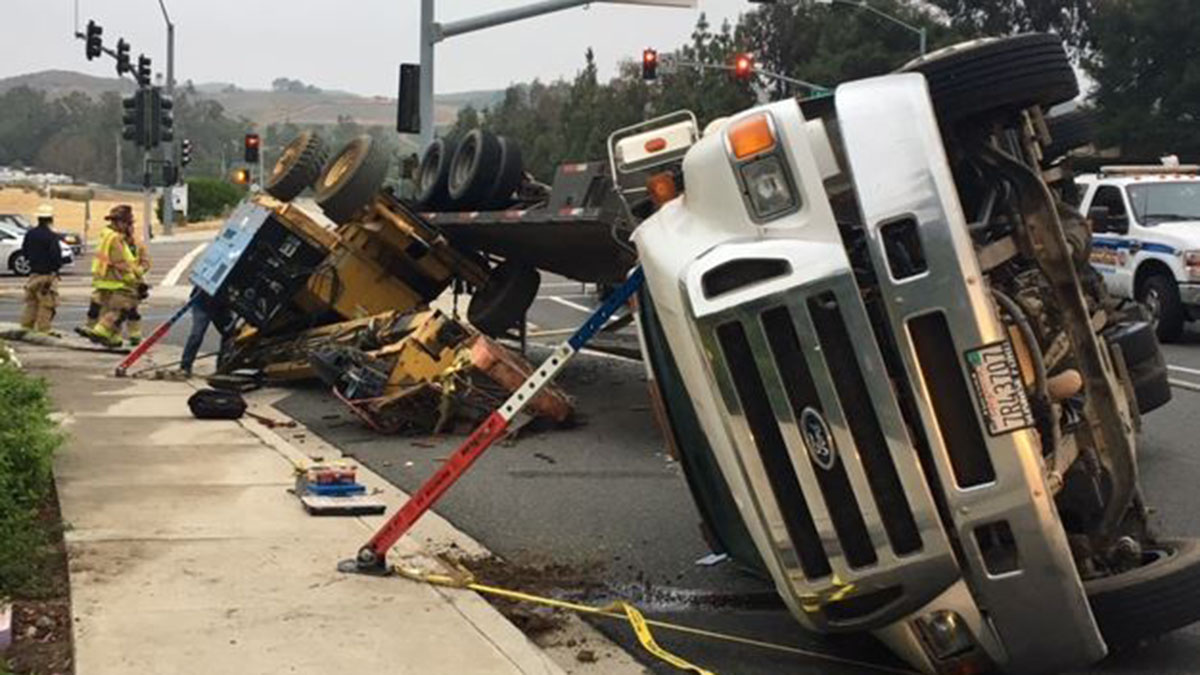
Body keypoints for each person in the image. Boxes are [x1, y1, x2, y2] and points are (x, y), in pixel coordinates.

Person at [78, 205, 141, 348]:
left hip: (104, 280)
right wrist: (132, 277)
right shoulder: (115, 239)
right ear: (120, 222)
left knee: (106, 308)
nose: (127, 226)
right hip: (117, 281)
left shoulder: (105, 236)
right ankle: (102, 331)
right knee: (119, 309)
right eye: (127, 223)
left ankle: (113, 337)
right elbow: (120, 261)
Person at [20, 204, 63, 335]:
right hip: (47, 276)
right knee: (47, 304)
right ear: (50, 219)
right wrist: (56, 268)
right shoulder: (51, 236)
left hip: (33, 275)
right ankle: (44, 330)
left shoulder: (30, 234)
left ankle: (26, 328)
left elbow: (25, 251)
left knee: (31, 303)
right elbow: (56, 256)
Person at [179, 287, 230, 377]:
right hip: (202, 302)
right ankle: (185, 366)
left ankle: (222, 367)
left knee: (229, 333)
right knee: (197, 335)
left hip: (221, 303)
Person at [121, 228, 152, 345]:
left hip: (135, 283)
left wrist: (140, 270)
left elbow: (146, 262)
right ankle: (114, 334)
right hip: (119, 282)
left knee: (132, 310)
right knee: (117, 310)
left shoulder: (138, 245)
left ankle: (135, 335)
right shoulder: (116, 244)